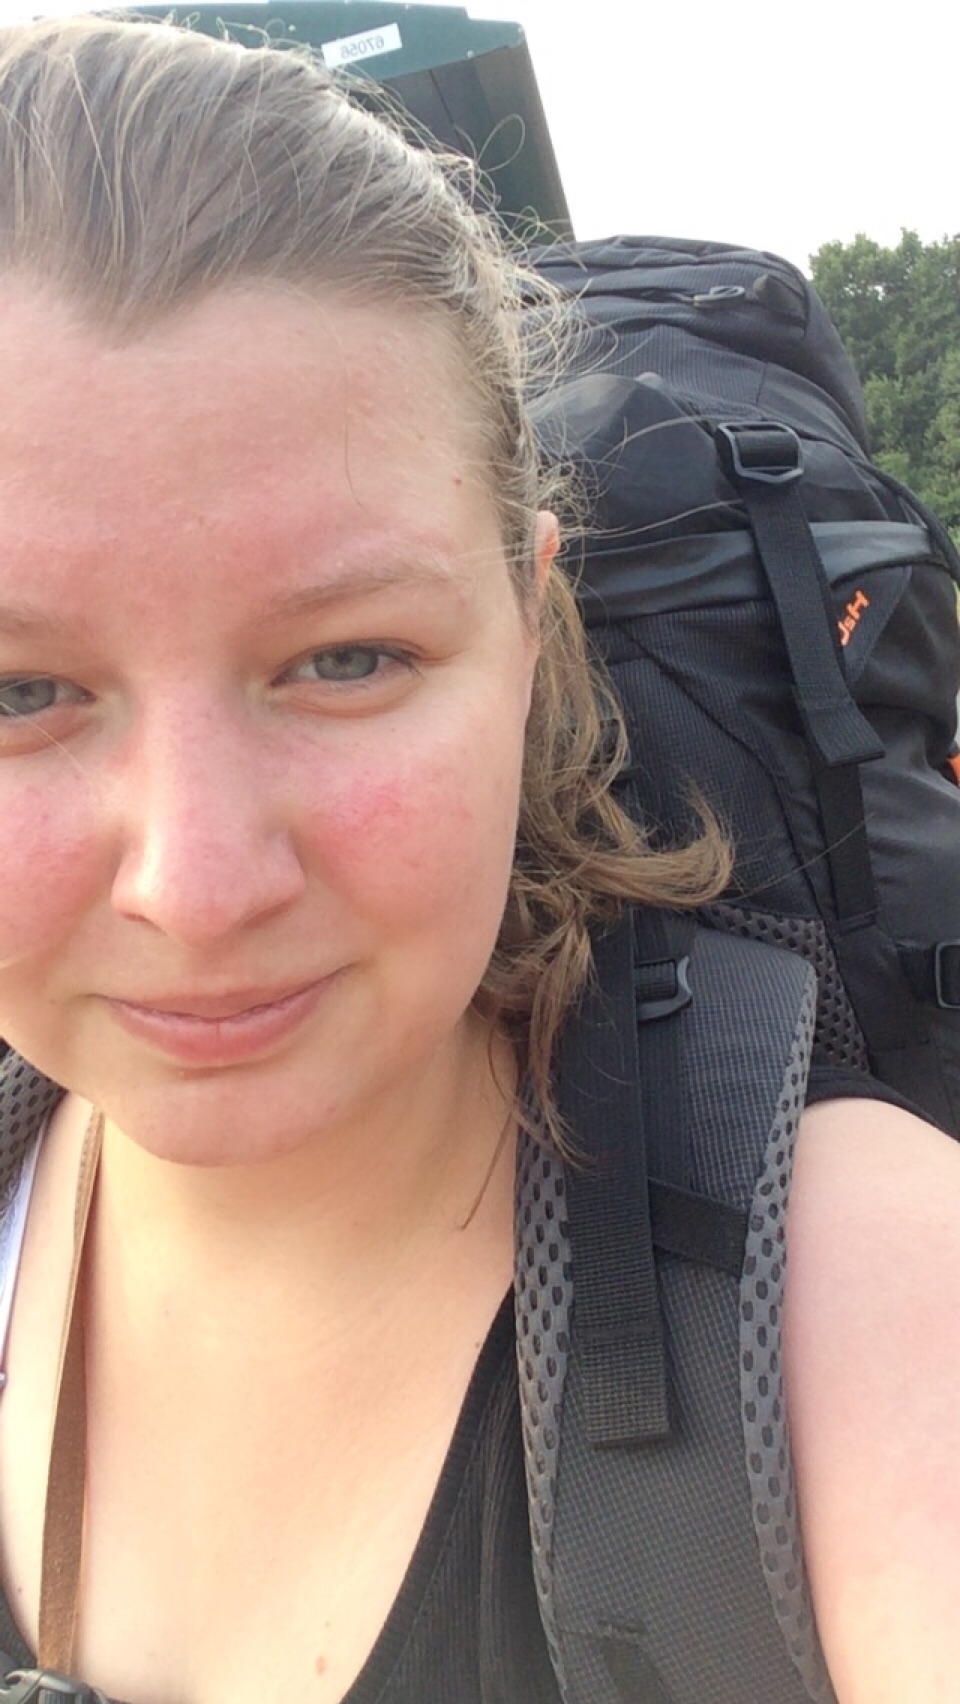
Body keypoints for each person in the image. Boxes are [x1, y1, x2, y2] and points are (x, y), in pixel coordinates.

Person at [0, 16, 956, 1704]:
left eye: (347, 658)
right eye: (21, 693)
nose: (198, 887)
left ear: (531, 628)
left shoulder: (869, 1318)